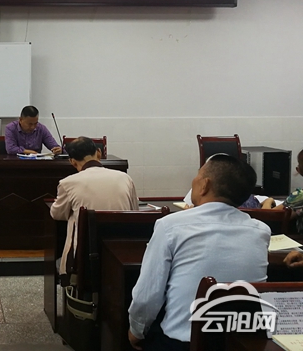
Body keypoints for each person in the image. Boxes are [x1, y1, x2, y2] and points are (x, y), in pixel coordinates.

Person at [128, 155, 271, 350]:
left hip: (184, 343)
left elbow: (147, 296)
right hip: (242, 343)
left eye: (197, 175)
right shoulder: (261, 231)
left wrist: (136, 331)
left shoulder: (170, 226)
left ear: (204, 185)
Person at [50, 137, 137, 276]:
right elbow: (134, 211)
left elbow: (57, 214)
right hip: (121, 252)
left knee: (73, 218)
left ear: (72, 162)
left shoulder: (67, 183)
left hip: (86, 255)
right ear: (99, 153)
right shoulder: (125, 178)